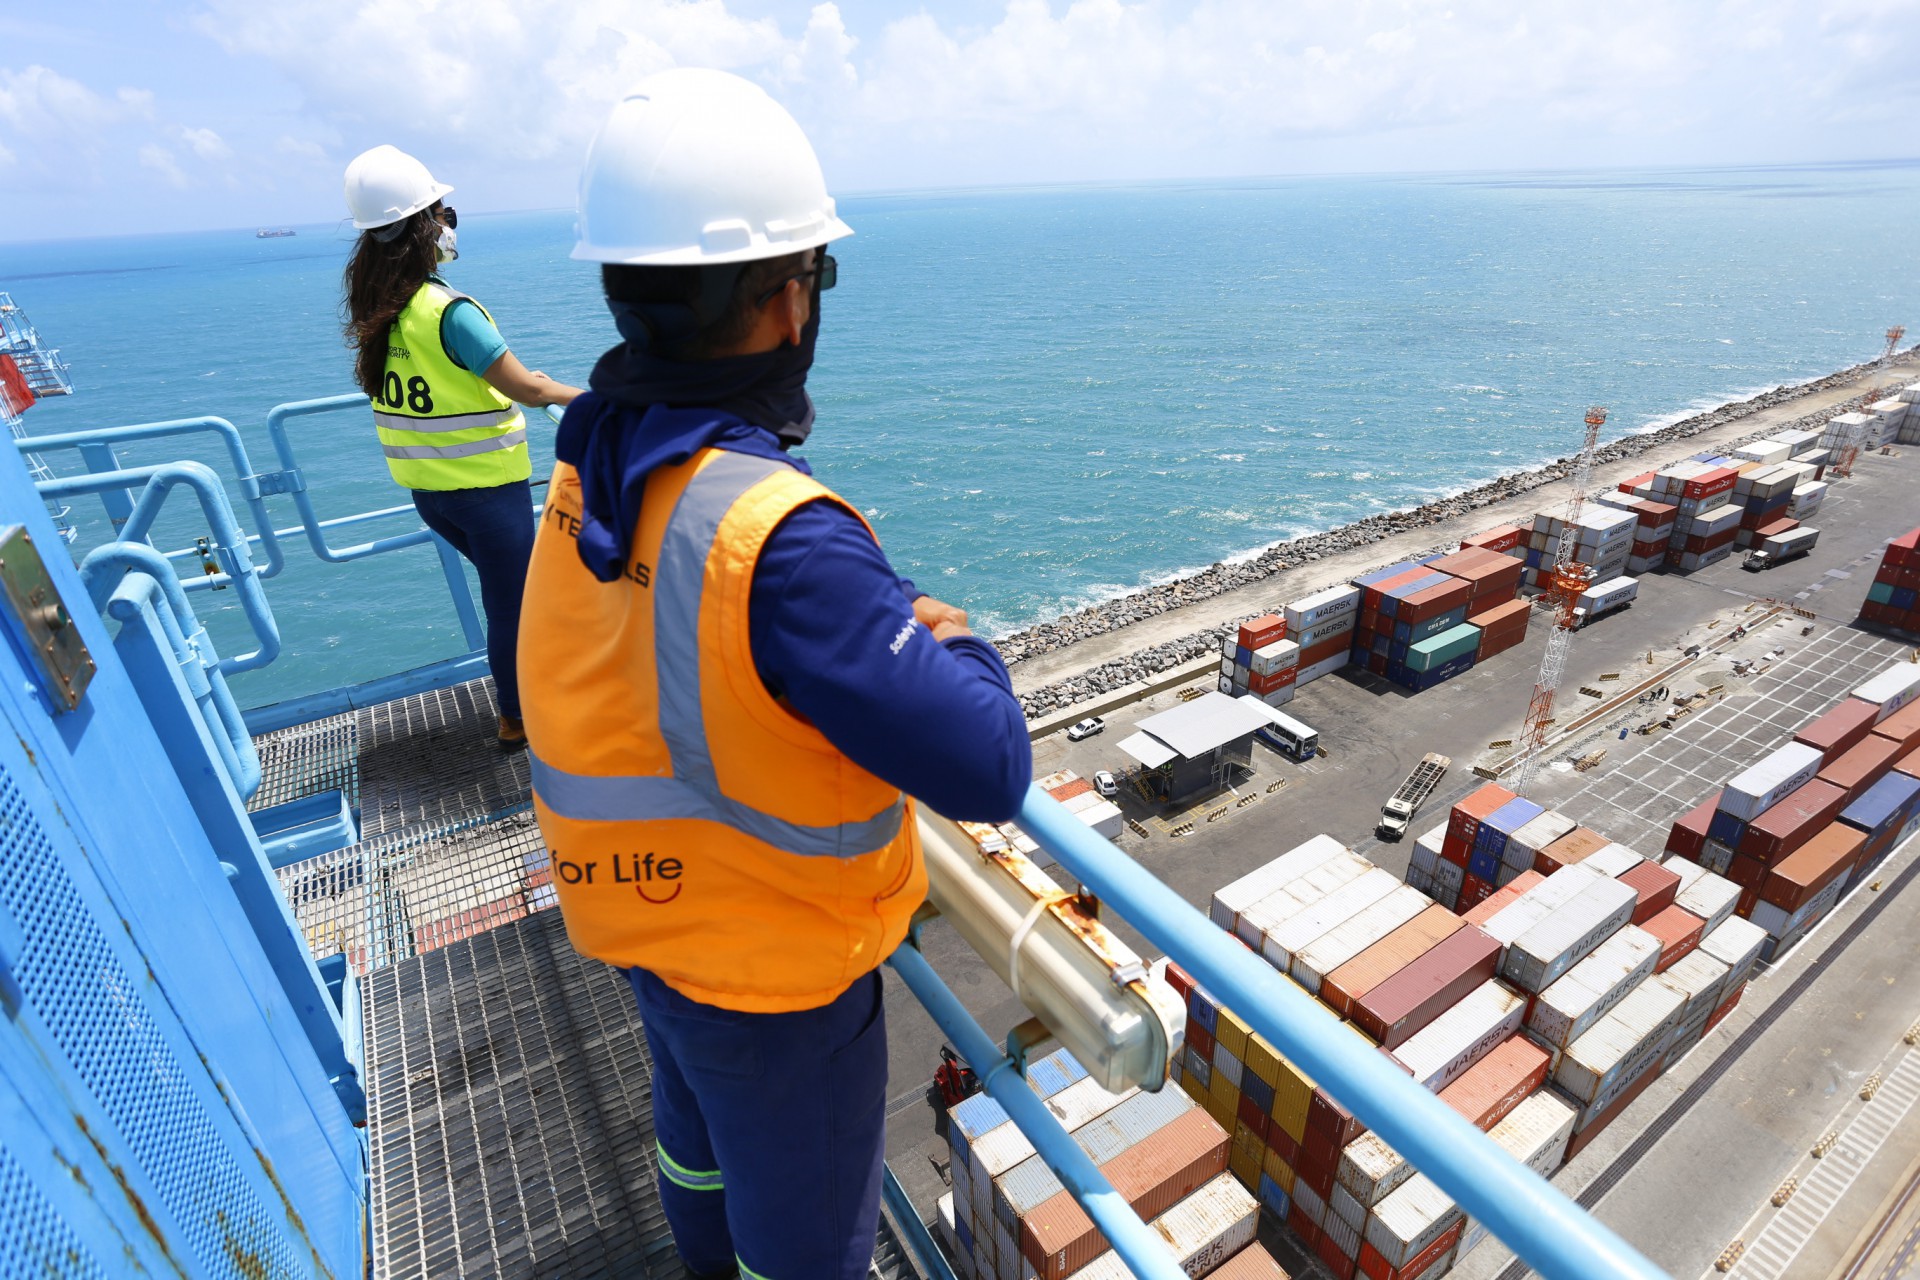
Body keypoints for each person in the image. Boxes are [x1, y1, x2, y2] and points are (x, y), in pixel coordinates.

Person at [519, 70, 1031, 1279]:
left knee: (697, 1164)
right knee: (804, 1254)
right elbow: (988, 762)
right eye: (816, 274)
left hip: (643, 922)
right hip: (779, 981)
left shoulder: (594, 452)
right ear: (782, 301)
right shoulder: (779, 537)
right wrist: (955, 637)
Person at [340, 144, 582, 748]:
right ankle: (518, 719)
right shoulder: (449, 311)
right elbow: (527, 387)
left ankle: (531, 693)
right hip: (485, 494)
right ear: (424, 227)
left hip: (432, 494)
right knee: (513, 608)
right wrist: (607, 401)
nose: (449, 226)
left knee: (514, 594)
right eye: (444, 214)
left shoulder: (382, 309)